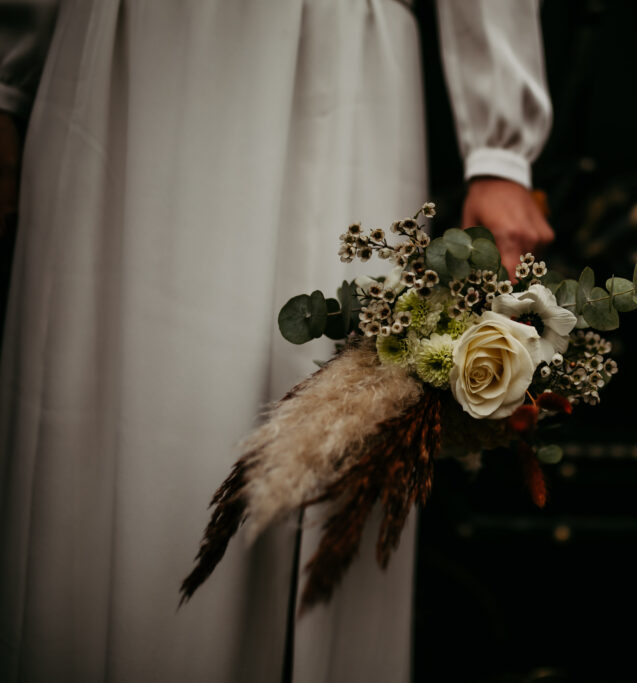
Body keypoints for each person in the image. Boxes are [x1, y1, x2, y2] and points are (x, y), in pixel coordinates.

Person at [0, 1, 552, 681]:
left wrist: (501, 148)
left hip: (337, 59)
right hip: (124, 58)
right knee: (111, 437)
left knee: (333, 430)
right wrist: (8, 76)